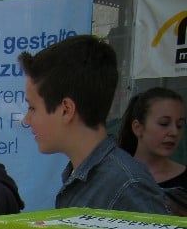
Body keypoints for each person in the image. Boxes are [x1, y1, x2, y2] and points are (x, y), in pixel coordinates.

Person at [18, 34, 169, 214]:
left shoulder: (127, 186)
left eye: (32, 107)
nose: (26, 120)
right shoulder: (80, 177)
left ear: (66, 110)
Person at [117, 87, 187, 214]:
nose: (174, 132)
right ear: (138, 128)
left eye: (180, 125)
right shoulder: (115, 177)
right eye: (164, 123)